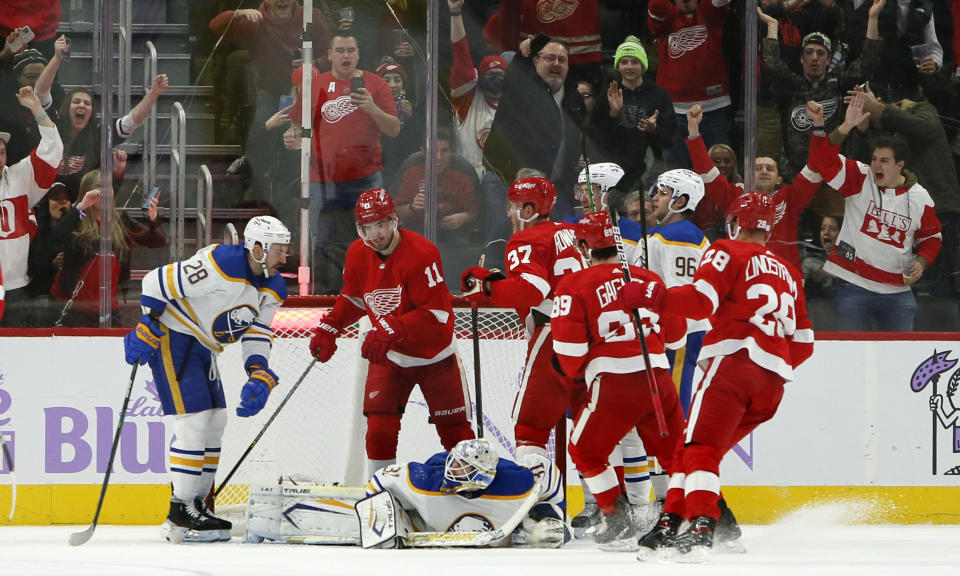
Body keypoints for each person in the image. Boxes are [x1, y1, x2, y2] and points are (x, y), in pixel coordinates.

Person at [620, 191, 814, 560]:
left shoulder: (727, 249)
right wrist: (768, 366)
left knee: (700, 449)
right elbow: (804, 344)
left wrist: (651, 295)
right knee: (688, 451)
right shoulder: (788, 271)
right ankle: (670, 523)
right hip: (772, 385)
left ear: (736, 222)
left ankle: (703, 525)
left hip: (733, 367)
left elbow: (699, 303)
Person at [123, 215, 292, 542]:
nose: (284, 257)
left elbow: (257, 331)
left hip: (205, 347)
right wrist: (148, 321)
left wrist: (258, 369)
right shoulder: (221, 264)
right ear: (257, 248)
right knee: (194, 421)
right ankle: (180, 510)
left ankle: (197, 506)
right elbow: (156, 282)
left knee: (216, 420)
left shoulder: (274, 285)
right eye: (278, 250)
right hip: (175, 335)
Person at [308, 188, 475, 476]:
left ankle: (474, 489)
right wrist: (330, 326)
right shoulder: (358, 254)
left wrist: (388, 328)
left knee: (454, 432)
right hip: (392, 356)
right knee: (379, 431)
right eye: (367, 227)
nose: (375, 233)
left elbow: (435, 314)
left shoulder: (422, 253)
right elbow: (356, 297)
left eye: (381, 224)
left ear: (394, 220)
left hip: (435, 357)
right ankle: (380, 492)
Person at [551, 211, 685, 548]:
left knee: (585, 451)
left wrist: (576, 371)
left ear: (584, 246)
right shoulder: (649, 279)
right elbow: (678, 336)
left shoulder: (573, 284)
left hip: (614, 383)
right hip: (658, 378)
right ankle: (712, 519)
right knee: (677, 456)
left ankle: (616, 518)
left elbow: (568, 352)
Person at [461, 176, 586, 460]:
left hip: (555, 334)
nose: (508, 213)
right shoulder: (568, 231)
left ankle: (537, 502)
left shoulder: (525, 238)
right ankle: (606, 503)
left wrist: (486, 286)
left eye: (512, 206)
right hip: (594, 336)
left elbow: (531, 290)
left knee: (530, 428)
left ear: (528, 210)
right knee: (589, 426)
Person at [807, 95, 942, 331]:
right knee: (851, 356)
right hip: (853, 285)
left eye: (884, 161)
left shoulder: (921, 198)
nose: (876, 165)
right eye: (874, 159)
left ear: (900, 165)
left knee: (900, 359)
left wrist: (922, 261)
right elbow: (821, 161)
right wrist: (843, 127)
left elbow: (931, 239)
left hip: (898, 292)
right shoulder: (860, 178)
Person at [285, 31, 400, 294]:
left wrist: (371, 108)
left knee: (378, 238)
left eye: (351, 50)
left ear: (358, 54)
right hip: (321, 178)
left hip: (367, 176)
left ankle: (377, 292)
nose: (346, 55)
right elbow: (296, 128)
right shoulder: (314, 86)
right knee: (320, 240)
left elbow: (393, 128)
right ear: (329, 55)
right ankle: (323, 294)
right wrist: (293, 140)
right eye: (340, 50)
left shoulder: (376, 85)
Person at [686, 103, 824, 271]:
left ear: (779, 179)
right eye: (758, 168)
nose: (764, 171)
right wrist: (693, 130)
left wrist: (818, 127)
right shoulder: (734, 195)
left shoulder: (791, 197)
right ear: (747, 176)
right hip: (741, 272)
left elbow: (817, 168)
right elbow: (707, 173)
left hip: (784, 275)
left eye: (770, 168)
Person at [363, 438, 568, 548]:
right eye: (454, 463)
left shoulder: (515, 482)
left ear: (484, 475)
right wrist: (384, 519)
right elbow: (379, 481)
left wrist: (550, 516)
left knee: (547, 535)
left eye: (463, 467)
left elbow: (549, 473)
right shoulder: (426, 479)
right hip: (433, 547)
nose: (453, 470)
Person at [758, 0, 883, 179]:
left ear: (829, 59)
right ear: (801, 59)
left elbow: (867, 62)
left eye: (820, 53)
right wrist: (772, 26)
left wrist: (873, 18)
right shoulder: (793, 85)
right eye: (808, 52)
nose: (814, 58)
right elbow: (771, 65)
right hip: (796, 175)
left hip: (833, 173)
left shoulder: (838, 83)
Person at [482, 34, 586, 229]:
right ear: (535, 61)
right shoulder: (522, 89)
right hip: (507, 180)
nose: (556, 63)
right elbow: (515, 76)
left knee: (558, 241)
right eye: (549, 58)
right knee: (506, 240)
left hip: (555, 186)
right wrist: (525, 52)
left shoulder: (574, 99)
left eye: (562, 60)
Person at [50, 169, 165, 326]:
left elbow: (157, 241)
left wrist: (153, 219)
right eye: (99, 186)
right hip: (75, 306)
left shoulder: (119, 220)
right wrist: (81, 206)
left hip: (108, 306)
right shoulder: (76, 218)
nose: (105, 191)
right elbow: (55, 236)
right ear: (87, 191)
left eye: (108, 186)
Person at [647, 169, 711, 416]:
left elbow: (683, 297)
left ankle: (675, 455)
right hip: (666, 330)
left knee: (671, 408)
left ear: (681, 201)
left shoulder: (682, 236)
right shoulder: (663, 233)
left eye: (663, 193)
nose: (655, 198)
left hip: (680, 333)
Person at [0, 86, 62, 327]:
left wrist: (37, 108)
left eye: (2, 152)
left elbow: (52, 152)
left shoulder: (19, 179)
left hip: (16, 290)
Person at [52, 74, 169, 201]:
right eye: (76, 102)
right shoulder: (52, 130)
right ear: (65, 108)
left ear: (91, 112)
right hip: (49, 207)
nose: (82, 105)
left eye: (87, 103)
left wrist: (154, 93)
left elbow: (131, 122)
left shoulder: (98, 133)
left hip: (85, 210)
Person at [647, 0, 733, 168]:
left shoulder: (708, 13)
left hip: (713, 108)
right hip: (675, 111)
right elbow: (657, 5)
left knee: (719, 171)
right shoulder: (667, 17)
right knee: (676, 174)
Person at [593, 36, 676, 194]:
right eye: (624, 62)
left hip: (650, 172)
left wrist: (654, 129)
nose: (629, 67)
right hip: (615, 172)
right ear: (617, 66)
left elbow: (670, 141)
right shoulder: (607, 95)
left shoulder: (659, 95)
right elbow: (598, 139)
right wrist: (613, 113)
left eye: (635, 62)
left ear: (643, 66)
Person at [448, 0, 506, 177]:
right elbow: (460, 53)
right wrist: (456, 14)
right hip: (466, 175)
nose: (496, 78)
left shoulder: (513, 110)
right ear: (479, 78)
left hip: (499, 177)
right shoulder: (468, 99)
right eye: (490, 74)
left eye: (500, 74)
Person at [393, 126, 477, 243]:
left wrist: (463, 218)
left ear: (452, 150)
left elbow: (476, 211)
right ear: (423, 152)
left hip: (453, 233)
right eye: (433, 151)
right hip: (416, 229)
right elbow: (393, 212)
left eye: (444, 151)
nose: (439, 158)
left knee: (462, 244)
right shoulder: (410, 168)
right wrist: (411, 207)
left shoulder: (463, 170)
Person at [802, 214, 842, 301]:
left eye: (832, 229)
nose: (826, 232)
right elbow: (802, 294)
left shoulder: (850, 262)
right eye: (823, 228)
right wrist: (815, 281)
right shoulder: (810, 263)